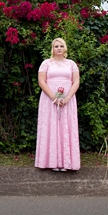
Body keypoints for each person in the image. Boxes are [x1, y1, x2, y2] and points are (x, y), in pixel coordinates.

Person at [35, 37, 81, 171]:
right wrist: (53, 97)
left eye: (61, 46)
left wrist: (67, 98)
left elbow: (76, 82)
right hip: (49, 100)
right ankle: (51, 162)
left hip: (68, 100)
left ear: (65, 48)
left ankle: (66, 162)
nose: (59, 48)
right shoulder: (46, 63)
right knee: (51, 127)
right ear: (52, 49)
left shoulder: (71, 64)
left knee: (66, 127)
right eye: (56, 46)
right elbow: (41, 82)